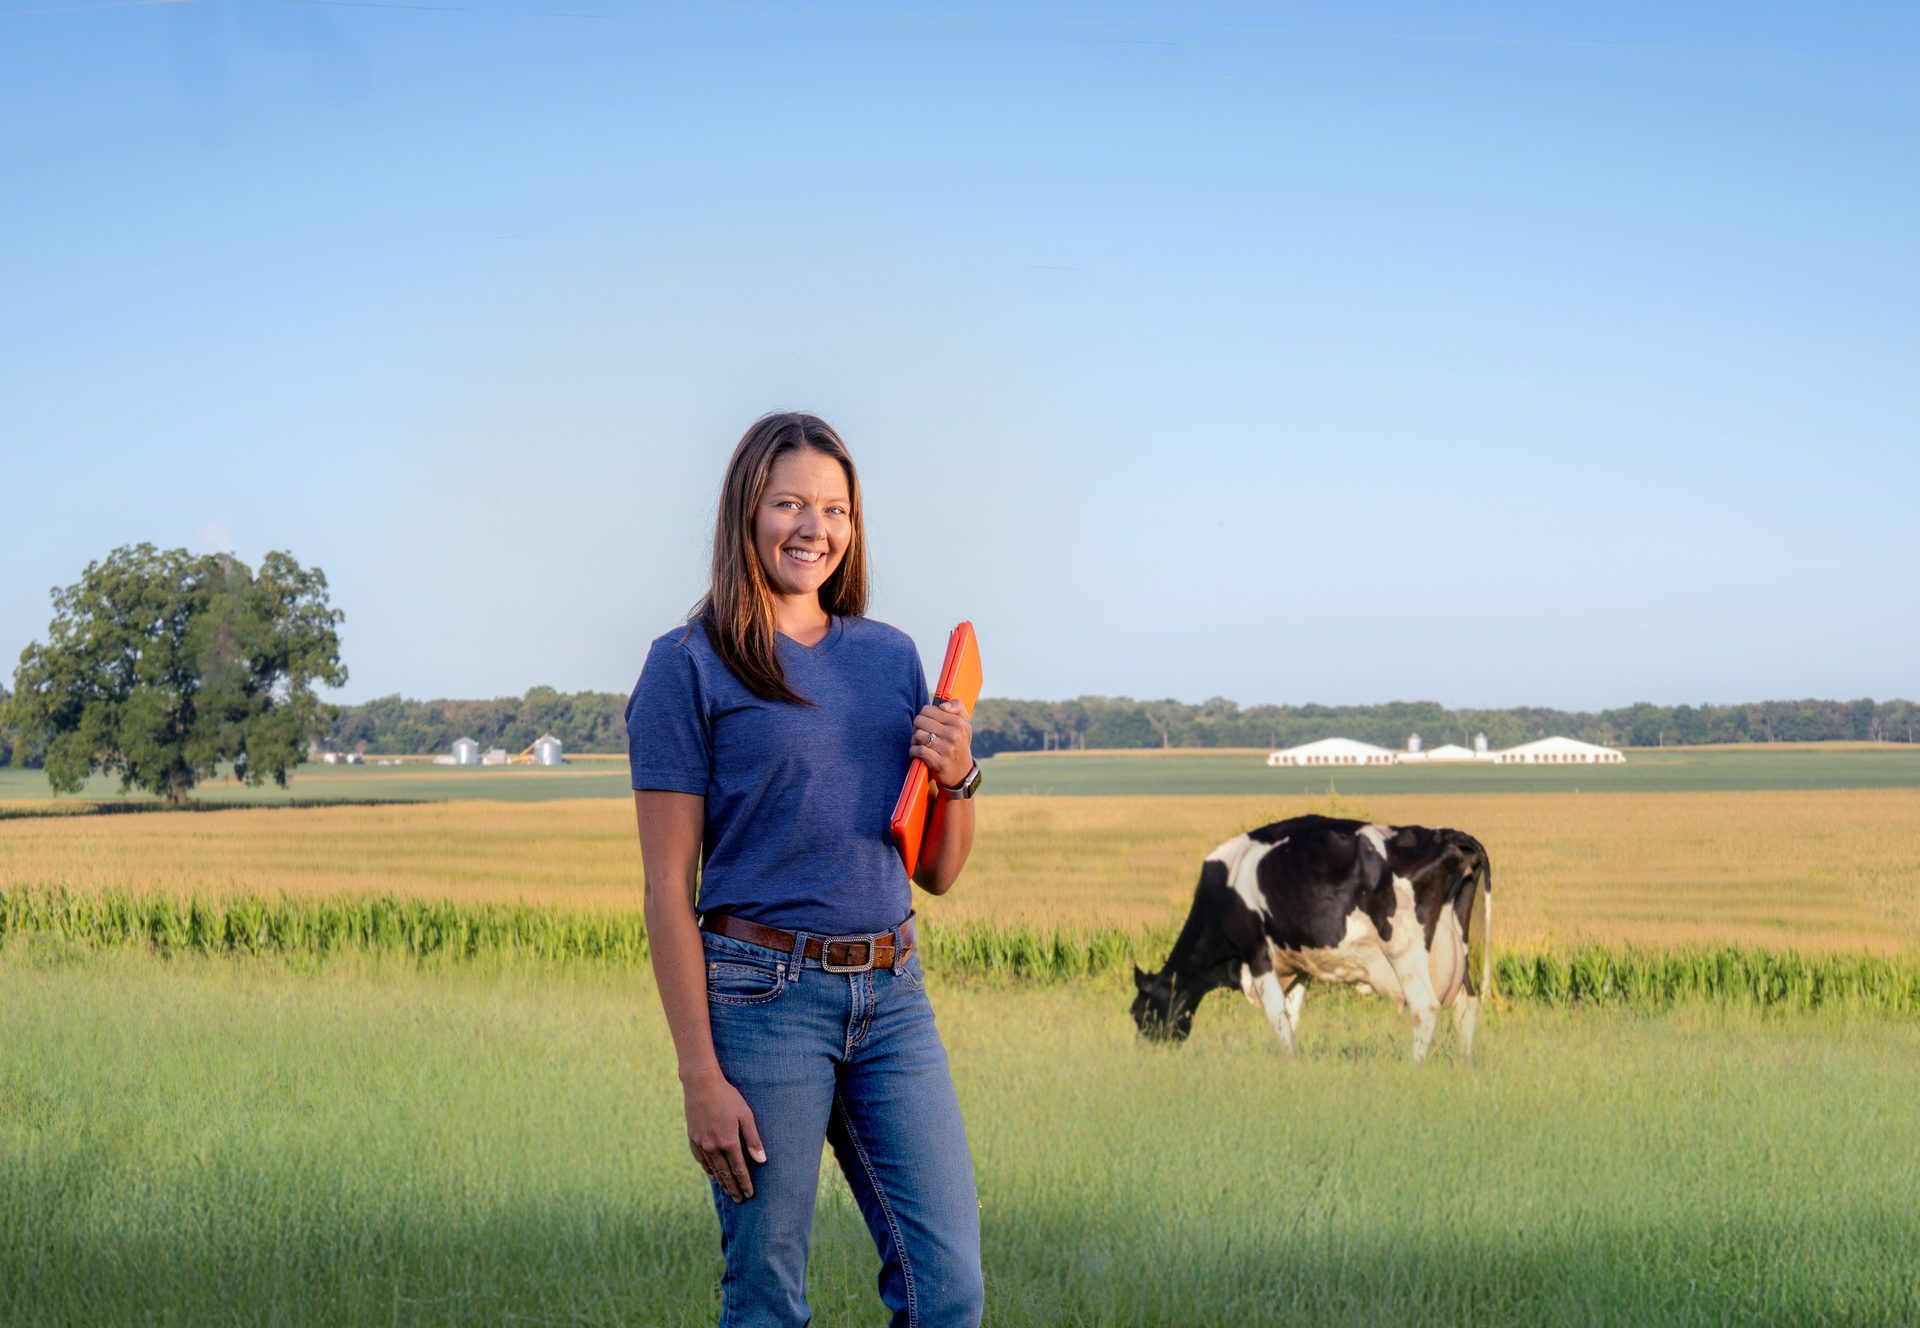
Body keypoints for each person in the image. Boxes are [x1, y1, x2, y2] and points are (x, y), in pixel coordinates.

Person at [627, 411, 987, 1328]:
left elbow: (936, 871)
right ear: (747, 512)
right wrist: (698, 1077)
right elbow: (668, 891)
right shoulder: (687, 668)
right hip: (761, 1000)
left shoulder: (892, 658)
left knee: (948, 1292)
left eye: (834, 508)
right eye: (789, 502)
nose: (814, 528)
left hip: (894, 995)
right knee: (767, 1298)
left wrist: (962, 778)